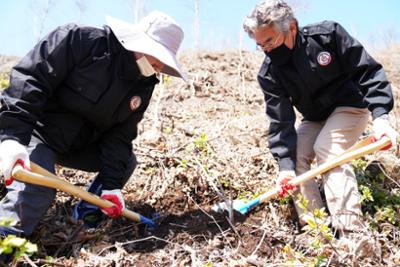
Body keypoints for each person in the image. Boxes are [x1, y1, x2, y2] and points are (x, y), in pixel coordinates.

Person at [0, 11, 185, 239]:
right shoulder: (80, 41)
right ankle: (5, 240)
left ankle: (85, 215)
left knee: (125, 161)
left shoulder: (143, 85)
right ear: (138, 41)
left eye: (164, 61)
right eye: (157, 55)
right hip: (37, 133)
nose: (159, 65)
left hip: (78, 145)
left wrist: (112, 186)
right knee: (38, 189)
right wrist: (11, 138)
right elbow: (30, 81)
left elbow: (120, 135)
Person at [243, 0, 398, 238]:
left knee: (327, 147)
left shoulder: (327, 36)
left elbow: (367, 71)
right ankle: (317, 232)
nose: (266, 49)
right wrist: (285, 168)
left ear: (291, 27)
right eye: (260, 45)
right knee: (293, 159)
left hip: (350, 107)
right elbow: (280, 121)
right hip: (315, 117)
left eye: (270, 41)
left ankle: (350, 231)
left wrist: (381, 117)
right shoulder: (270, 73)